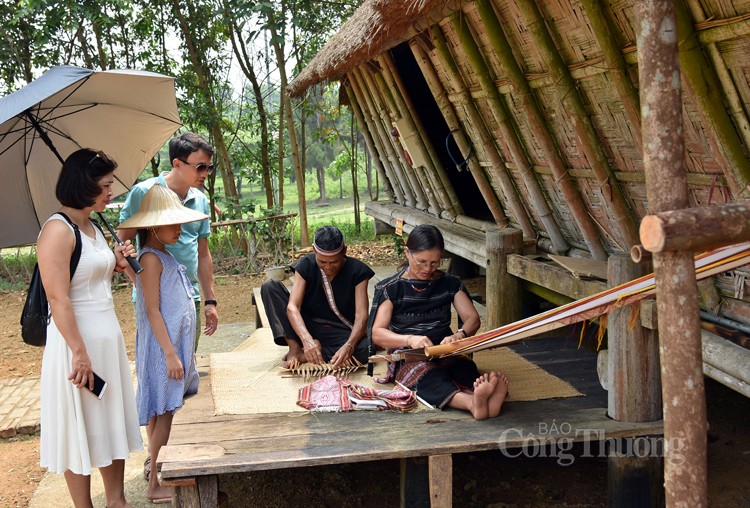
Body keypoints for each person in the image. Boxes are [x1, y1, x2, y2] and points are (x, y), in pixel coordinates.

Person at [37, 148, 142, 507]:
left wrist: (115, 262)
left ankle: (117, 500)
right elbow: (58, 298)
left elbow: (89, 275)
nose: (111, 192)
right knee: (79, 423)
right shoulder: (57, 229)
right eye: (106, 185)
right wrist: (78, 353)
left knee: (108, 418)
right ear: (85, 185)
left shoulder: (93, 226)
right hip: (75, 342)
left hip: (106, 337)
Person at [118, 184, 206, 503]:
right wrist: (170, 354)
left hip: (169, 346)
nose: (180, 230)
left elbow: (147, 291)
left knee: (159, 412)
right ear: (154, 225)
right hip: (161, 350)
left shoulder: (155, 257)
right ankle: (155, 481)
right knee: (165, 412)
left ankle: (156, 476)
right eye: (174, 223)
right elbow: (152, 309)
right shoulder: (151, 258)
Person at [370, 224, 509, 420]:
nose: (428, 269)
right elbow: (377, 333)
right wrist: (410, 340)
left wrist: (460, 335)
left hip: (445, 349)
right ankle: (472, 403)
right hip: (409, 355)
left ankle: (485, 398)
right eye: (421, 262)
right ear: (408, 253)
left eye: (435, 263)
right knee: (427, 377)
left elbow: (472, 318)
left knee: (464, 369)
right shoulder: (391, 289)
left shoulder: (449, 283)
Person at [118, 132, 218, 347]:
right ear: (177, 163)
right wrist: (142, 286)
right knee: (161, 361)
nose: (205, 174)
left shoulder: (200, 200)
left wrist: (210, 301)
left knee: (186, 360)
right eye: (200, 167)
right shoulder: (144, 193)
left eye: (208, 168)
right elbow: (122, 248)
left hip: (190, 294)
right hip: (155, 298)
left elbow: (202, 253)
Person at [260, 226, 375, 368]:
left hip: (338, 331)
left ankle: (314, 353)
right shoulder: (306, 265)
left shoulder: (358, 271)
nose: (328, 267)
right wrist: (307, 340)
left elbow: (362, 316)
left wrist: (349, 345)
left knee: (367, 347)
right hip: (306, 326)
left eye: (334, 262)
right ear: (314, 250)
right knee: (269, 287)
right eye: (322, 262)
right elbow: (293, 307)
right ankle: (295, 348)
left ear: (344, 250)